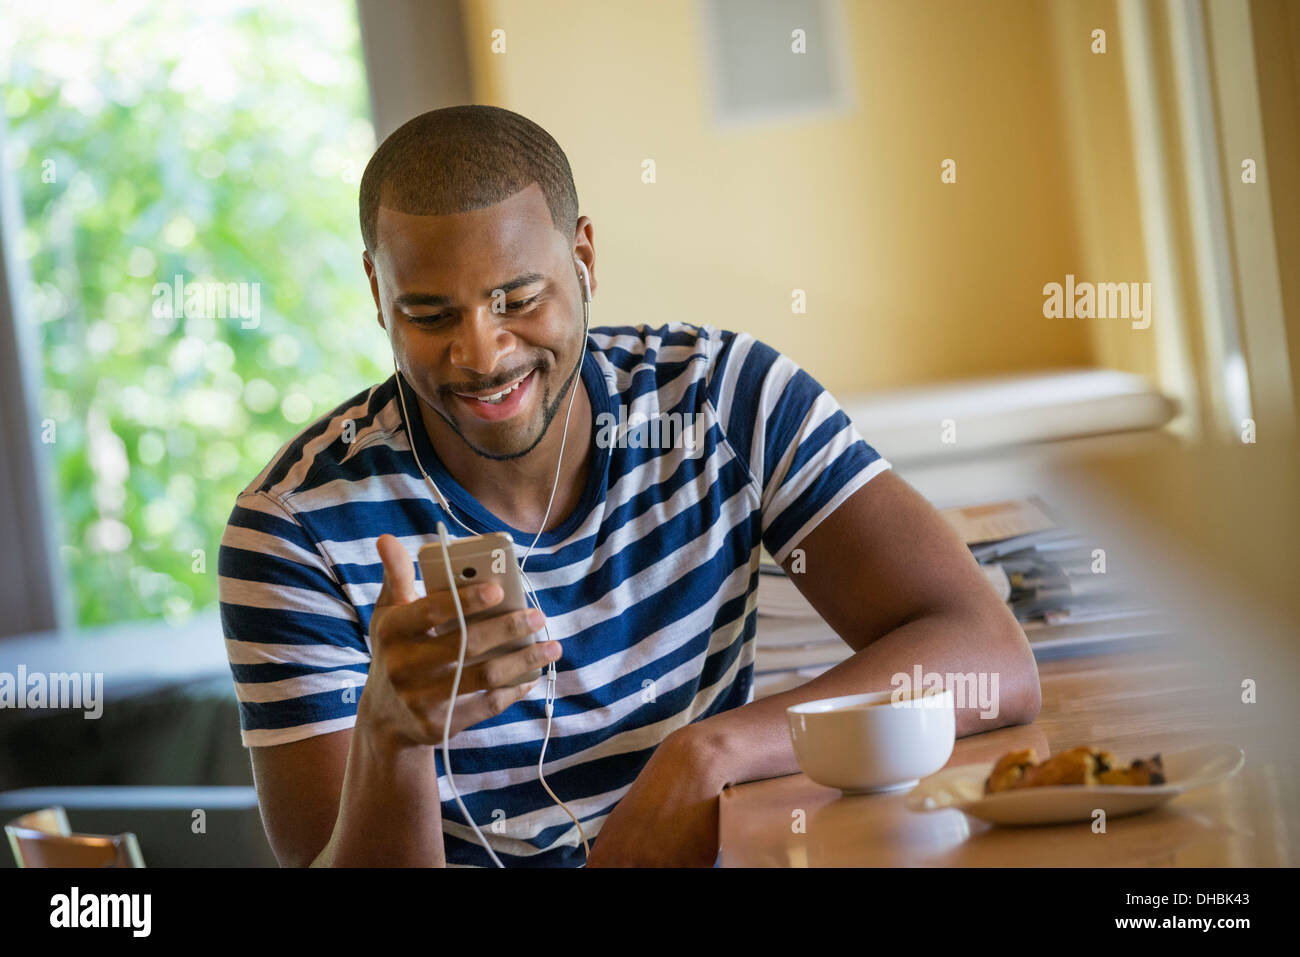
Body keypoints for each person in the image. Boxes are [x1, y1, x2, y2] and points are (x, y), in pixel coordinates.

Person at [217, 105, 1041, 868]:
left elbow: (990, 656)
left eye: (517, 298)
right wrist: (391, 738)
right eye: (430, 316)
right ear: (376, 293)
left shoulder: (720, 397)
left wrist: (708, 753)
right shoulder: (291, 530)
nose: (481, 354)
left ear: (583, 258)